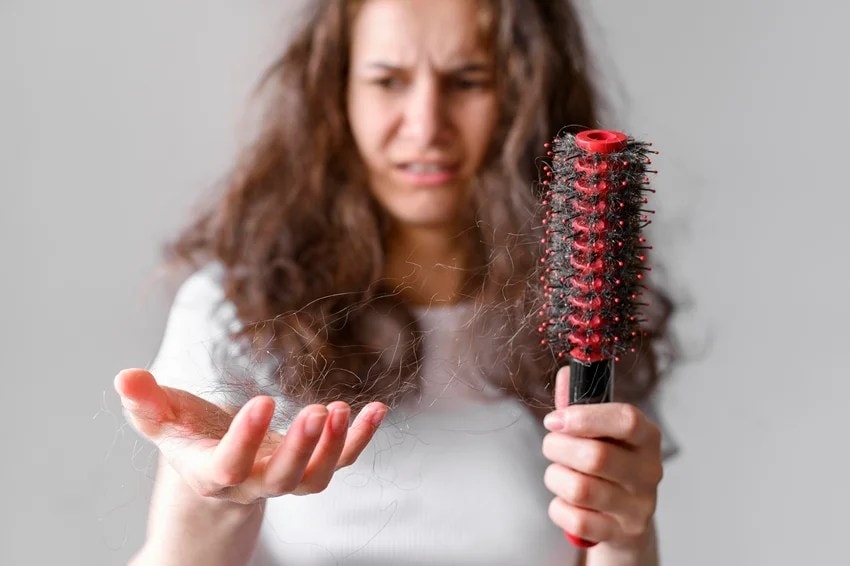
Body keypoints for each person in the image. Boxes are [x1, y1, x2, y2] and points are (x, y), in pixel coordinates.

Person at [115, 1, 676, 564]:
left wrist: (626, 535)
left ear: (526, 93)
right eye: (387, 81)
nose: (426, 125)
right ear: (337, 93)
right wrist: (215, 499)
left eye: (467, 80)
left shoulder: (589, 311)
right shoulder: (233, 311)